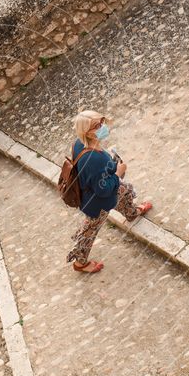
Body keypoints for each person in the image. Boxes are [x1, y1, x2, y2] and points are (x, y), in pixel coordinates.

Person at [67, 110, 152, 273]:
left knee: (124, 191)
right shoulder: (94, 158)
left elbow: (94, 174)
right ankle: (80, 263)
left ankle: (132, 213)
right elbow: (103, 190)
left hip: (94, 193)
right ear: (87, 132)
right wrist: (118, 173)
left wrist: (111, 167)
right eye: (96, 126)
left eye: (102, 122)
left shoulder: (79, 143)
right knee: (89, 230)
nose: (102, 127)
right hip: (97, 203)